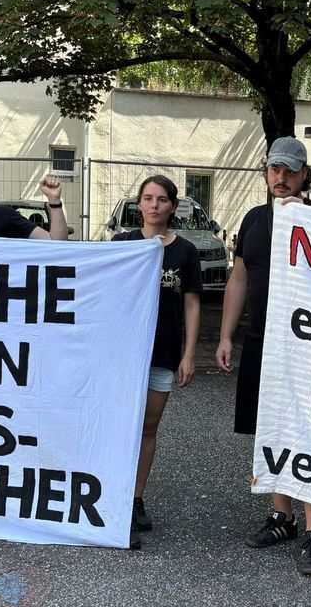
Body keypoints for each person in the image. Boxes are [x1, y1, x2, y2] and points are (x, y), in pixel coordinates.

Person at [216, 136, 311, 576]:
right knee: (269, 429)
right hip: (261, 340)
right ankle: (282, 516)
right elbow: (238, 281)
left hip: (308, 349)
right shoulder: (253, 219)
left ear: (305, 174)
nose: (280, 178)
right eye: (273, 170)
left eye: (289, 171)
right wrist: (226, 336)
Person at [112, 175, 202, 540]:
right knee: (118, 427)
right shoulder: (121, 244)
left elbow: (192, 304)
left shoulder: (184, 252)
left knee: (148, 427)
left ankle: (135, 498)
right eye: (147, 198)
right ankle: (111, 494)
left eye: (161, 199)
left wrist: (189, 353)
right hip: (120, 354)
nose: (153, 205)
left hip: (162, 353)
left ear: (172, 205)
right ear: (139, 204)